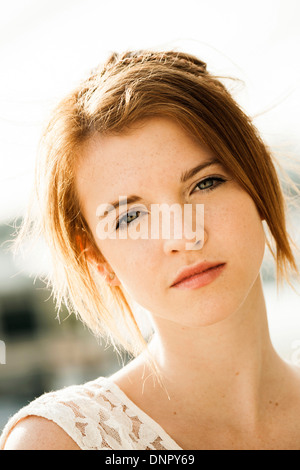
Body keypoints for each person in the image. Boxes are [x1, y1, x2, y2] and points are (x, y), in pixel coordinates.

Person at [1, 49, 300, 450]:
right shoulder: (60, 441)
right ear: (96, 256)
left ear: (257, 182)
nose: (182, 236)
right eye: (129, 217)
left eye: (205, 184)